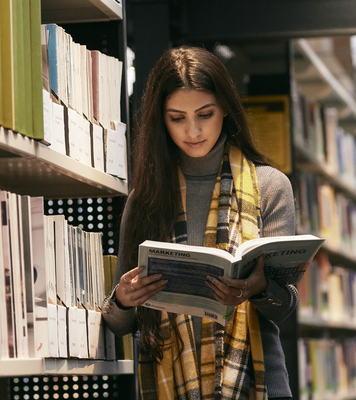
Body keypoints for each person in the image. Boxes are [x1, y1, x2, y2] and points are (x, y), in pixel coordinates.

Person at [101, 45, 297, 400]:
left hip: (257, 384)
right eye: (177, 118)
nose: (192, 131)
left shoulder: (270, 187)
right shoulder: (145, 199)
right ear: (161, 119)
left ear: (225, 107)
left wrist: (258, 289)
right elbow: (118, 324)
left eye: (204, 114)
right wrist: (125, 300)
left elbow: (285, 308)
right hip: (170, 383)